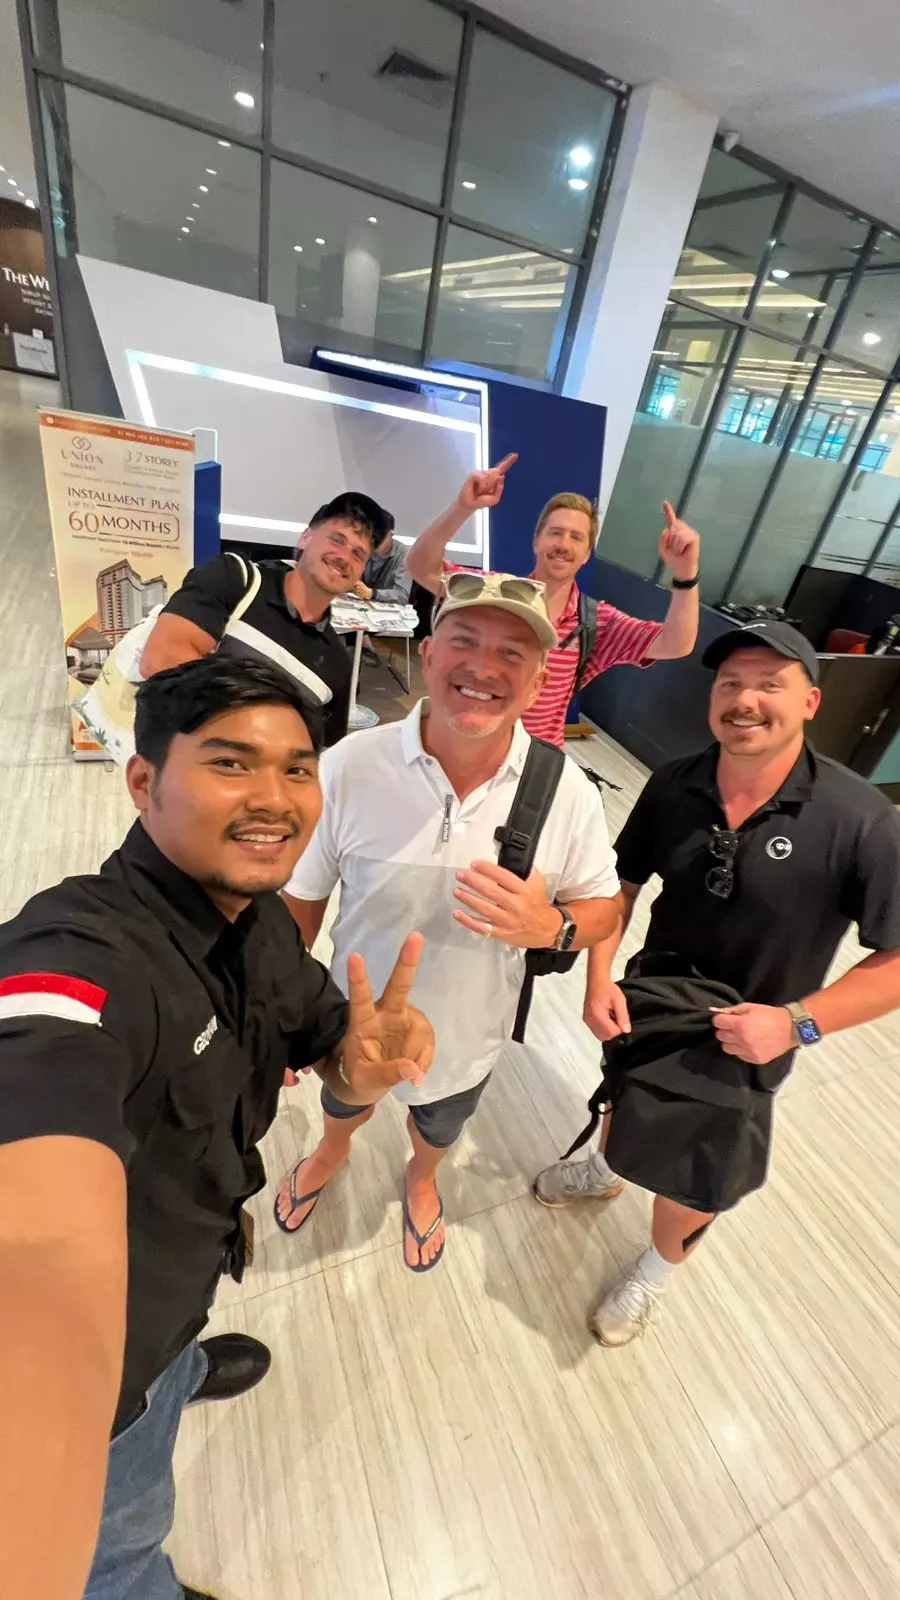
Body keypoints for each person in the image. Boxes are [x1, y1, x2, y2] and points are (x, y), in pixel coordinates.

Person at [0, 656, 434, 1600]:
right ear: (143, 779)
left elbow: (320, 1029)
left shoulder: (258, 919)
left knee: (174, 1363)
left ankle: (184, 1368)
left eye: (297, 769)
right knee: (123, 1539)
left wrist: (353, 1067)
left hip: (187, 1266)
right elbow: (40, 1165)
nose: (274, 798)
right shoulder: (80, 951)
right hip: (116, 1362)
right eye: (231, 763)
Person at [533, 620, 900, 1346]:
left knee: (694, 1176)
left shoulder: (860, 819)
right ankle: (606, 1168)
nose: (744, 700)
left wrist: (795, 1023)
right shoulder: (675, 783)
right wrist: (599, 979)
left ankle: (653, 1274)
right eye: (730, 683)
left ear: (811, 702)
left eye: (769, 685)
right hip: (649, 1005)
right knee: (625, 1097)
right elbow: (618, 887)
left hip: (751, 1040)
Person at [274, 572, 622, 1270]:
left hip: (470, 1031)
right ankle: (331, 1152)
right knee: (343, 1104)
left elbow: (604, 906)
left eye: (511, 654)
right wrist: (279, 1012)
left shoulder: (566, 791)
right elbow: (300, 905)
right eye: (464, 641)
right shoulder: (348, 766)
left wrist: (550, 927)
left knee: (439, 1125)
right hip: (352, 1016)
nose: (483, 668)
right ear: (429, 654)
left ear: (537, 682)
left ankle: (422, 1177)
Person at [404, 456, 702, 747]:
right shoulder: (494, 592)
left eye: (576, 537)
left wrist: (686, 574)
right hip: (466, 746)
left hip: (533, 762)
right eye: (556, 533)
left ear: (587, 554)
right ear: (537, 541)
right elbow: (421, 568)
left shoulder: (596, 623)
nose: (563, 544)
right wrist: (463, 507)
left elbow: (676, 644)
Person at [140, 490, 394, 746]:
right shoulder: (234, 580)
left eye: (358, 554)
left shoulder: (336, 665)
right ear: (306, 538)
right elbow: (163, 661)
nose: (344, 558)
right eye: (337, 540)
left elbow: (320, 751)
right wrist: (259, 741)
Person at [353, 512, 412, 605]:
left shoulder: (404, 555)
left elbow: (402, 596)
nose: (374, 542)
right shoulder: (364, 546)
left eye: (379, 538)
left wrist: (372, 593)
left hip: (387, 608)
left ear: (391, 535)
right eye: (371, 536)